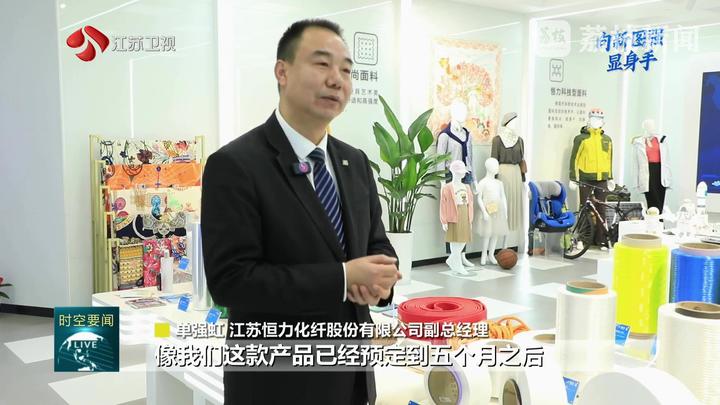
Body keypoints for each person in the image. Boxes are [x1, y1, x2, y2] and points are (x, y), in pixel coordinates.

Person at [201, 19, 401, 405]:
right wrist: (342, 278)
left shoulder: (354, 162)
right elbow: (231, 281)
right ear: (282, 71)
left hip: (351, 376)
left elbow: (376, 244)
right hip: (277, 383)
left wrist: (382, 281)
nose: (336, 80)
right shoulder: (236, 165)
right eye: (322, 64)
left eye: (346, 70)